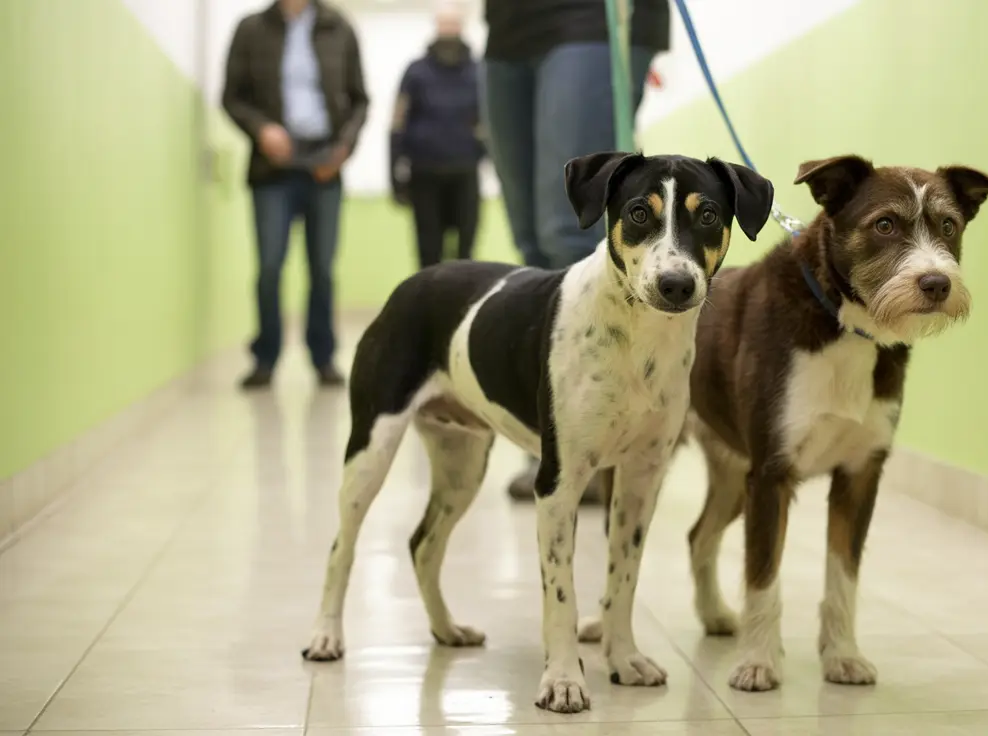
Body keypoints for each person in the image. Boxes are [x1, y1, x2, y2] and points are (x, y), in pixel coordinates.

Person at [480, 0, 670, 501]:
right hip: (507, 28)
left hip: (590, 19)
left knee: (566, 231)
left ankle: (593, 435)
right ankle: (558, 431)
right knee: (529, 238)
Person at [222, 0, 369, 390]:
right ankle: (265, 358)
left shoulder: (339, 27)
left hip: (325, 163)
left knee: (322, 268)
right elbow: (232, 97)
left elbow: (359, 100)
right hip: (272, 168)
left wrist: (343, 149)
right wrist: (261, 129)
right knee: (270, 266)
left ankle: (323, 358)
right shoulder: (251, 28)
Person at [390, 4, 486, 268]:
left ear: (463, 27)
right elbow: (398, 124)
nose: (448, 31)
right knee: (428, 254)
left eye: (453, 24)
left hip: (465, 172)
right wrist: (394, 174)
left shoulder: (478, 72)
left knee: (466, 254)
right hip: (425, 174)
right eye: (444, 24)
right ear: (436, 26)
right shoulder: (416, 72)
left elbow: (488, 122)